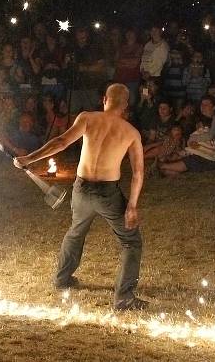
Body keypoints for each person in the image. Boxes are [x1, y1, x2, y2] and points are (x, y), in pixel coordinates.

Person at [14, 83, 147, 311]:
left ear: (104, 99)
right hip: (108, 193)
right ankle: (124, 298)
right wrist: (132, 205)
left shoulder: (87, 118)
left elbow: (61, 142)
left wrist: (29, 159)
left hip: (82, 188)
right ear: (125, 105)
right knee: (131, 242)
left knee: (76, 231)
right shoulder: (131, 132)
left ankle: (62, 278)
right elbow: (138, 173)